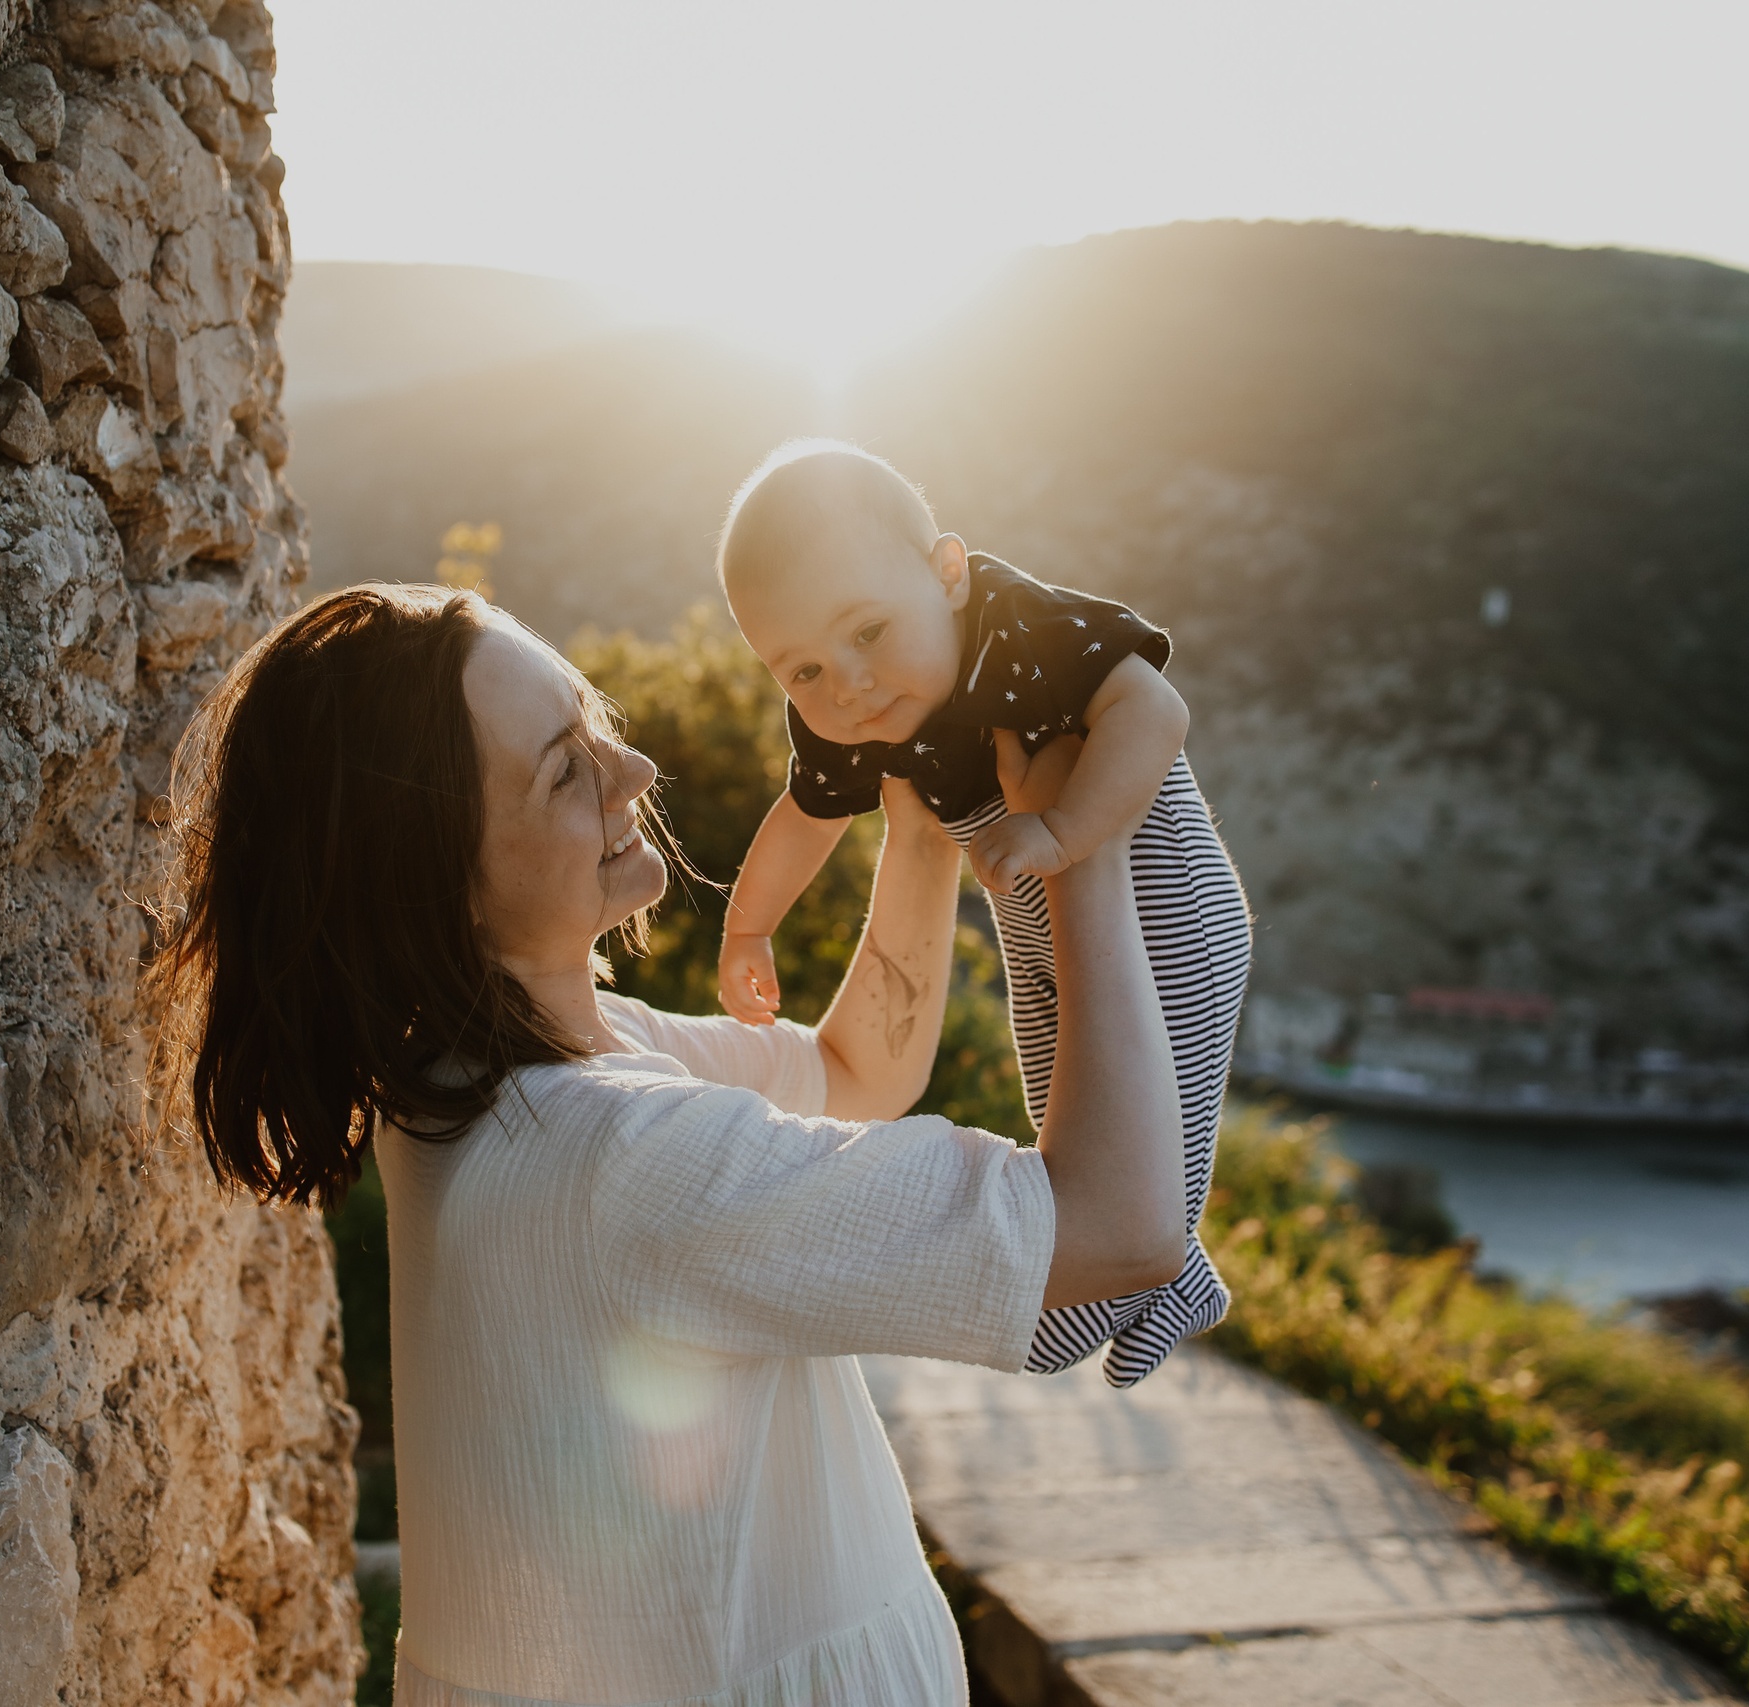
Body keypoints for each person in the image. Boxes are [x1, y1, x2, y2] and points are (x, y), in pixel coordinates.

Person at [154, 581, 1192, 1707]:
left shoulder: (485, 1077)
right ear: (432, 884)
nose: (630, 774)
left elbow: (855, 1078)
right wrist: (1082, 852)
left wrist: (920, 827)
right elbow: (1120, 1225)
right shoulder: (618, 1156)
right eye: (563, 770)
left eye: (593, 725)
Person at [716, 441, 1253, 1385]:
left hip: (1164, 895)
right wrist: (748, 925)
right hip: (1039, 921)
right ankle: (1157, 1275)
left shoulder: (1019, 626)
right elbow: (806, 815)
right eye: (800, 670)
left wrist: (1068, 833)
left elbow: (1154, 710)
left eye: (868, 632)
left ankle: (1159, 1272)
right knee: (1070, 1112)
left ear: (948, 576)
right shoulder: (845, 714)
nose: (846, 684)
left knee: (1162, 1107)